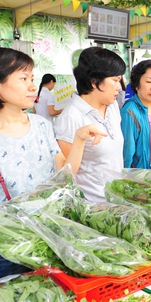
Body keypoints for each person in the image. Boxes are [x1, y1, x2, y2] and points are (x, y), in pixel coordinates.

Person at [0, 47, 107, 287]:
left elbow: (64, 177)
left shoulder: (42, 126)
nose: (32, 86)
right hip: (6, 252)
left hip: (49, 240)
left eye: (32, 78)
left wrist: (79, 139)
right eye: (23, 79)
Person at [55, 46, 125, 202]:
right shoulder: (70, 117)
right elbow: (66, 175)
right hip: (93, 207)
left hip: (117, 200)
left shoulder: (112, 107)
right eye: (115, 80)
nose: (119, 88)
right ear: (94, 82)